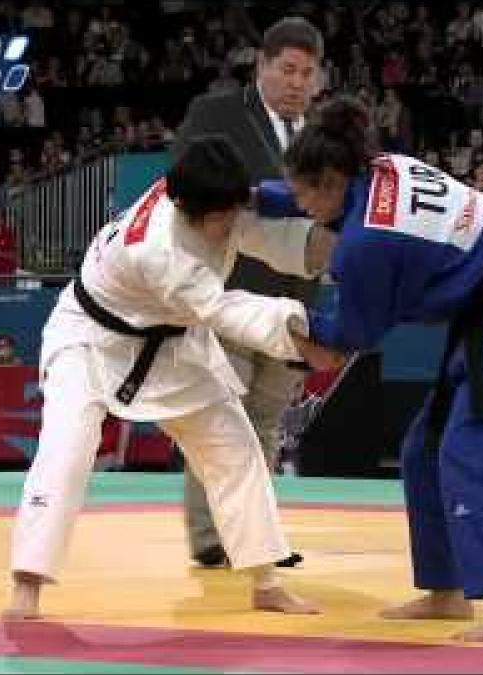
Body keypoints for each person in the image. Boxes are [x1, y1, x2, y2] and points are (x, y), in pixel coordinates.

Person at [258, 95, 483, 642]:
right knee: (425, 448)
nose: (297, 202)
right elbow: (308, 199)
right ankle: (447, 590)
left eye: (300, 192)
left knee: (474, 451)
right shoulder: (378, 169)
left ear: (328, 180)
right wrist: (252, 199)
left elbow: (354, 336)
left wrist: (287, 321)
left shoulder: (364, 245)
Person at [2, 136, 340, 621]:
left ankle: (265, 580)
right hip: (91, 339)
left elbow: (259, 232)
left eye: (231, 211)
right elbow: (223, 309)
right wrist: (303, 333)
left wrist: (335, 249)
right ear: (183, 208)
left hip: (170, 343)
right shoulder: (160, 250)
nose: (228, 227)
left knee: (234, 444)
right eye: (218, 219)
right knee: (67, 448)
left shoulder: (209, 193)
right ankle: (27, 583)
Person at [173, 17, 323, 569]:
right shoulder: (215, 113)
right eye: (286, 70)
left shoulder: (323, 131)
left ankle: (255, 537)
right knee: (219, 415)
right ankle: (210, 534)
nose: (296, 82)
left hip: (294, 300)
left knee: (264, 422)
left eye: (307, 73)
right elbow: (186, 184)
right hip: (228, 296)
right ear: (260, 65)